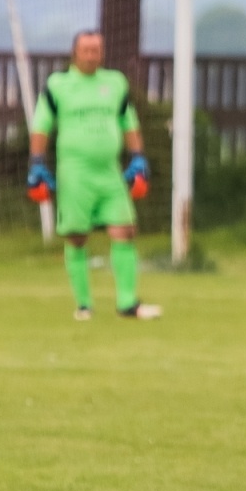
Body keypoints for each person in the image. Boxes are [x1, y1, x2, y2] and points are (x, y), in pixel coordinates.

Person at [26, 30, 160, 321]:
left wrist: (138, 158)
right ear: (74, 52)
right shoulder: (58, 85)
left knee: (125, 230)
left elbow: (129, 122)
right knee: (76, 236)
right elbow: (41, 125)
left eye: (96, 49)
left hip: (110, 172)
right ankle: (84, 305)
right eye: (86, 49)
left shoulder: (115, 83)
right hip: (75, 172)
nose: (91, 55)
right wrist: (37, 163)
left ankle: (128, 304)